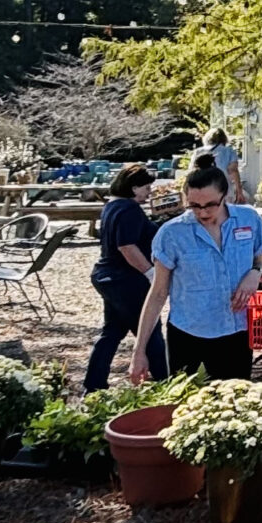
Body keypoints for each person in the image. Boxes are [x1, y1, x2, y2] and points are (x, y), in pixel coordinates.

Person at [129, 164, 262, 382]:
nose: (203, 212)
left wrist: (255, 273)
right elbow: (158, 293)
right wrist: (139, 351)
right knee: (187, 409)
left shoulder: (249, 219)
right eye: (195, 206)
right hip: (189, 334)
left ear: (226, 195)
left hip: (237, 331)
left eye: (210, 205)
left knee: (234, 407)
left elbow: (261, 262)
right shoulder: (171, 233)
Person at [86, 164, 168, 390]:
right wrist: (150, 272)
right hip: (126, 279)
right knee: (149, 330)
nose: (149, 192)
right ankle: (167, 380)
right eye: (146, 187)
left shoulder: (112, 205)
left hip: (107, 276)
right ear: (133, 188)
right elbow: (127, 247)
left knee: (112, 331)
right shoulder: (129, 209)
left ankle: (93, 385)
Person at [204, 127, 246, 204]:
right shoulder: (229, 151)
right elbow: (233, 170)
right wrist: (239, 191)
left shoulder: (199, 152)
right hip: (224, 189)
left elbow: (192, 172)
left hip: (203, 188)